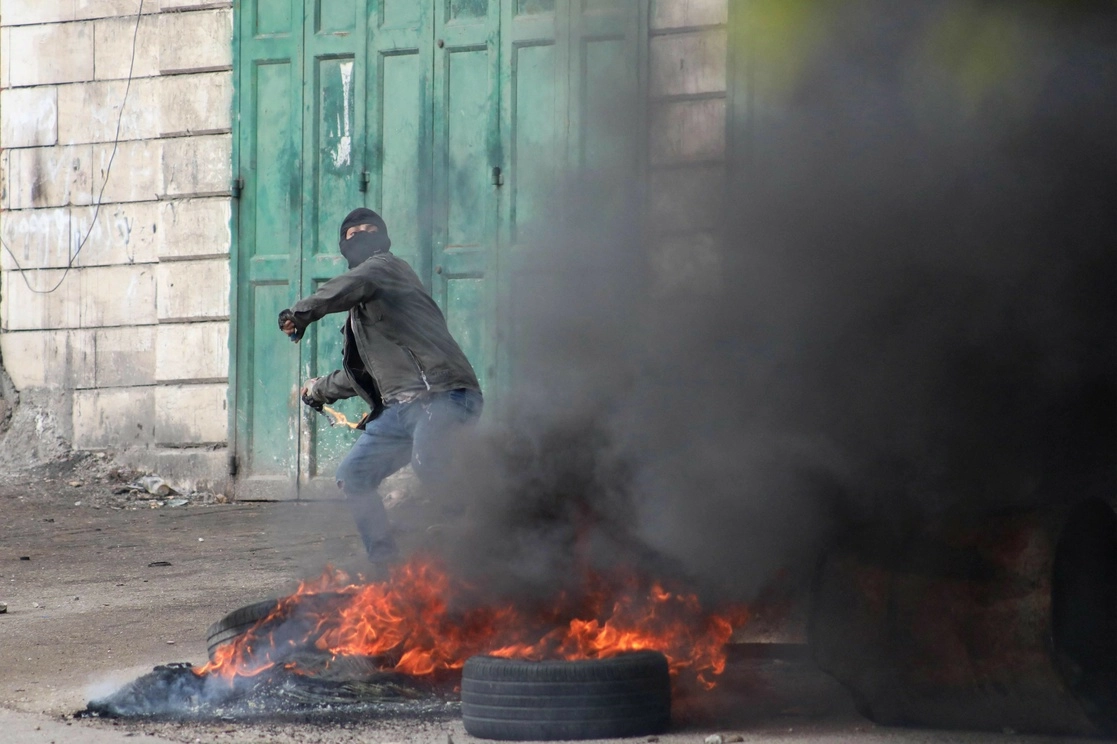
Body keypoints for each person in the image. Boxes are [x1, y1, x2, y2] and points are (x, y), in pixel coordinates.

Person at [278, 207, 482, 569]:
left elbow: (357, 281)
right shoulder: (361, 318)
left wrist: (302, 313)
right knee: (353, 477)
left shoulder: (387, 268)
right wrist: (318, 390)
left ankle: (481, 544)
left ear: (383, 240)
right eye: (352, 233)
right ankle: (386, 568)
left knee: (429, 459)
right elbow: (363, 375)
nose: (360, 236)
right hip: (400, 412)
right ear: (343, 245)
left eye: (368, 230)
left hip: (442, 394)